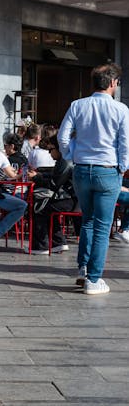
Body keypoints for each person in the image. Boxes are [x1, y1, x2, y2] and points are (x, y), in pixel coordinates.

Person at [58, 63, 129, 295]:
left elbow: (63, 135)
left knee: (88, 220)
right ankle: (94, 278)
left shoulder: (78, 105)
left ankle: (83, 269)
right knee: (101, 226)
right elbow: (125, 143)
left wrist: (72, 154)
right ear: (112, 83)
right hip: (107, 169)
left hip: (82, 169)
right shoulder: (121, 109)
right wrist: (122, 168)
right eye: (117, 82)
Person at [30, 135, 80, 255]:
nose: (49, 153)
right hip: (70, 199)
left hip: (69, 200)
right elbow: (54, 174)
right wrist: (40, 173)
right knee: (48, 209)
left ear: (59, 149)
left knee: (39, 208)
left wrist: (36, 177)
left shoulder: (66, 162)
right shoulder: (65, 160)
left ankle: (41, 246)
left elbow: (54, 184)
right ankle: (58, 243)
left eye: (50, 150)